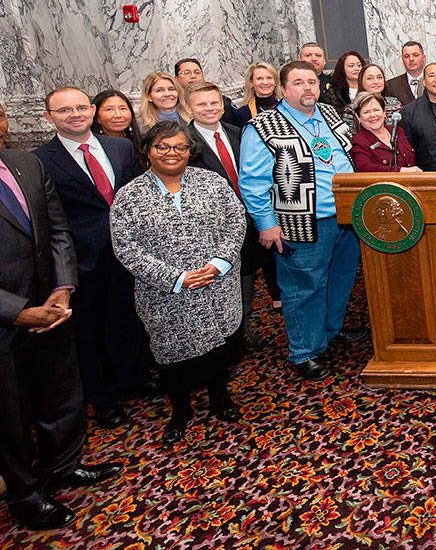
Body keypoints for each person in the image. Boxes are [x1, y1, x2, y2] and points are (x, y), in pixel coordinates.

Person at [0, 89, 120, 531]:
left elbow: (58, 230)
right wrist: (18, 311)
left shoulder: (26, 164)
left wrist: (63, 288)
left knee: (61, 393)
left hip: (52, 308)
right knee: (9, 416)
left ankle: (64, 465)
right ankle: (25, 494)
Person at [109, 121, 245, 444]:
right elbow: (126, 248)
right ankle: (180, 410)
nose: (172, 153)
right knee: (174, 360)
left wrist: (219, 264)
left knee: (221, 350)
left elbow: (236, 221)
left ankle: (219, 398)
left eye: (180, 147)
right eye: (163, 147)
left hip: (217, 285)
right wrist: (176, 278)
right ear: (148, 151)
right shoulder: (128, 197)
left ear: (190, 151)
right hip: (166, 297)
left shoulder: (212, 182)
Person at [238, 61, 365, 380]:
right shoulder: (263, 127)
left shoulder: (330, 114)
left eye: (312, 81)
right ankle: (304, 351)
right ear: (283, 89)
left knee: (339, 279)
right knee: (303, 287)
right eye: (298, 83)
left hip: (347, 217)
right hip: (302, 222)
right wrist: (266, 224)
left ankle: (329, 331)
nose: (308, 87)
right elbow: (252, 182)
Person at [35, 87, 149, 429]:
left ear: (92, 111)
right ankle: (101, 398)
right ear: (49, 117)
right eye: (65, 110)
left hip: (130, 252)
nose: (75, 115)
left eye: (81, 108)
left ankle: (134, 379)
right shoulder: (40, 160)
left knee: (129, 319)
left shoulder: (121, 147)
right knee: (89, 332)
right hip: (83, 259)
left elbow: (135, 197)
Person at [186, 82, 278, 348]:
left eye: (214, 103)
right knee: (228, 279)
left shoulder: (240, 133)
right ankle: (229, 334)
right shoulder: (185, 141)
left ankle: (244, 327)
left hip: (250, 216)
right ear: (190, 107)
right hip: (215, 226)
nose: (210, 108)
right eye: (202, 104)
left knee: (248, 273)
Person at [349, 91, 418, 174]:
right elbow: (364, 168)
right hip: (383, 186)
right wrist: (401, 171)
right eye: (366, 112)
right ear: (358, 117)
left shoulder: (397, 131)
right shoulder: (359, 140)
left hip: (411, 183)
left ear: (384, 112)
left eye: (376, 110)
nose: (373, 115)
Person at [174, 58, 237, 123]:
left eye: (197, 72)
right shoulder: (173, 107)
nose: (193, 76)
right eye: (186, 73)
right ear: (175, 79)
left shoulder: (223, 102)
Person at [342, 64, 402, 132]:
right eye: (370, 78)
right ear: (361, 81)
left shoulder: (394, 103)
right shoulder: (351, 109)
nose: (376, 82)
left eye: (379, 77)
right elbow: (350, 136)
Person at [91, 89, 144, 161]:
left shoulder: (141, 142)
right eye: (109, 109)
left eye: (123, 109)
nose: (118, 115)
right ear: (96, 116)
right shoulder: (92, 146)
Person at [231, 61, 282, 126]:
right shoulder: (243, 114)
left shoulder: (288, 107)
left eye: (269, 78)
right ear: (251, 83)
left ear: (275, 81)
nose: (265, 82)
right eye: (259, 78)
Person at [384, 40, 427, 105]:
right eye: (407, 56)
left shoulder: (434, 81)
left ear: (424, 58)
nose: (411, 59)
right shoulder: (390, 86)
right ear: (402, 60)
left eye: (415, 55)